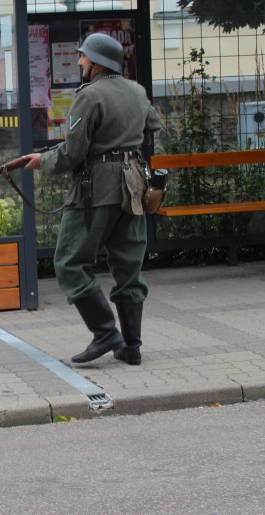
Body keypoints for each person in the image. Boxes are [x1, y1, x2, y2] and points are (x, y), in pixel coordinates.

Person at [23, 33, 161, 365]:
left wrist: (44, 160)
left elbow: (72, 153)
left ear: (97, 62)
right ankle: (131, 346)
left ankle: (104, 332)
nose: (81, 62)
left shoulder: (90, 95)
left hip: (96, 189)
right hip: (133, 186)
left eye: (84, 57)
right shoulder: (137, 91)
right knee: (128, 264)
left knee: (69, 261)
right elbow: (150, 128)